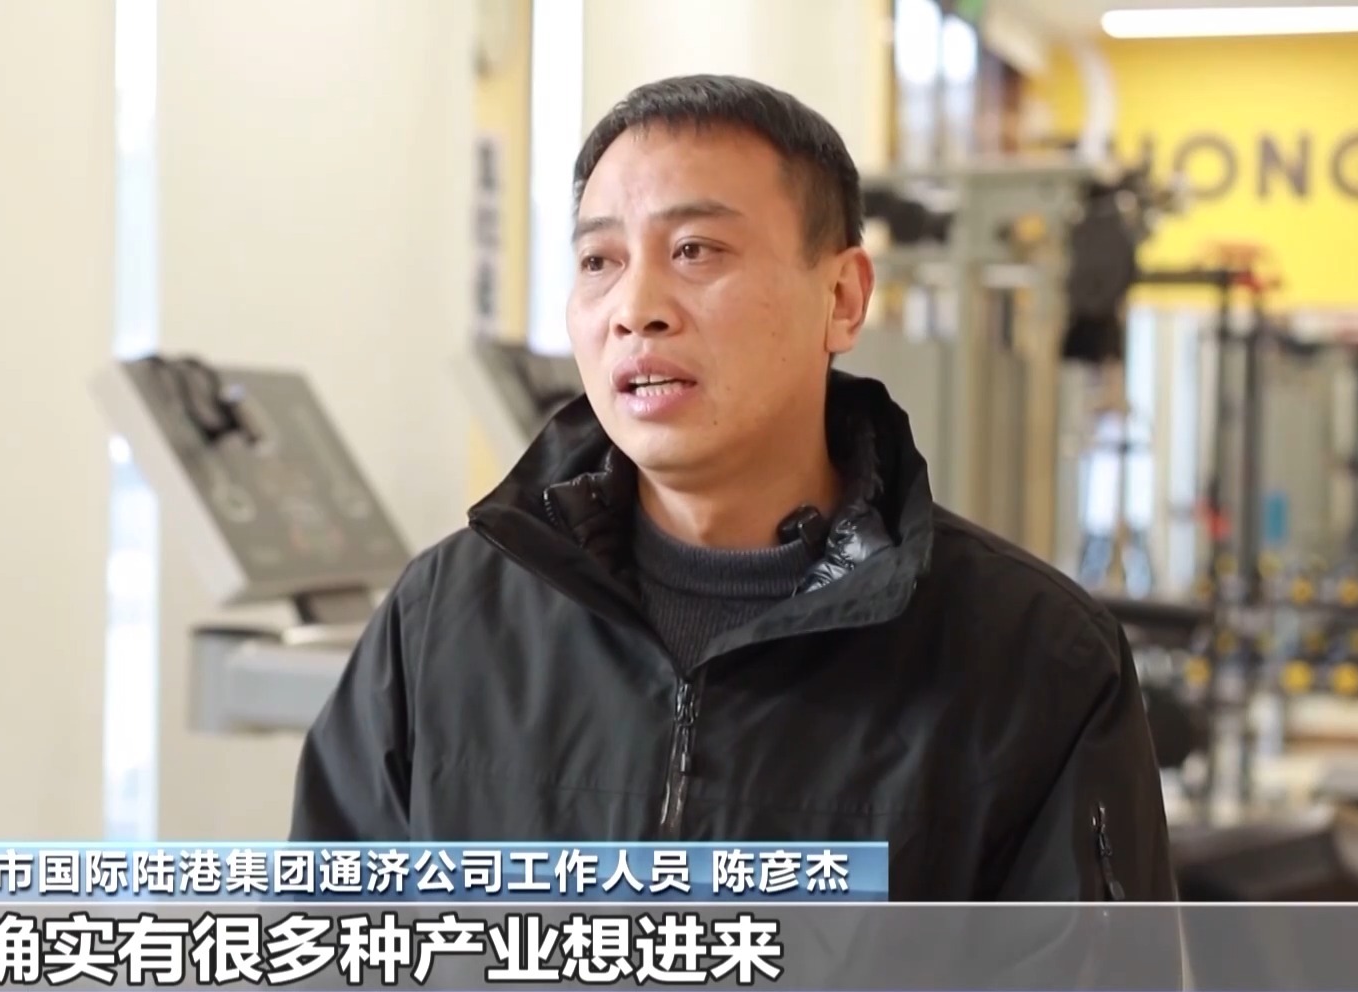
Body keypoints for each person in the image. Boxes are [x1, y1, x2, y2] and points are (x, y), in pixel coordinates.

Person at [290, 74, 1176, 904]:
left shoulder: (1037, 662)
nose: (635, 306)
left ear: (842, 297)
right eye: (598, 261)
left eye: (695, 250)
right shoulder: (440, 623)